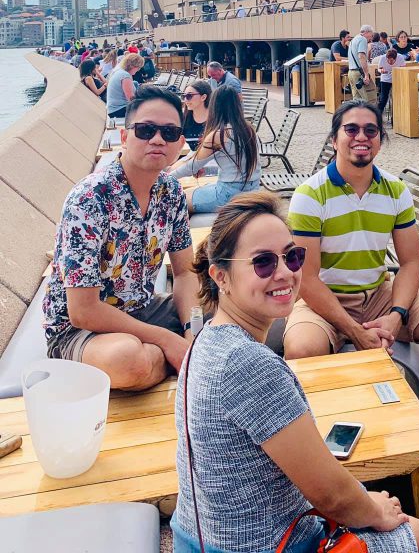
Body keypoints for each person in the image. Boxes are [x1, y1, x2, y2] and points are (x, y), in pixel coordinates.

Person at [172, 191, 419, 553]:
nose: (285, 273)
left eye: (292, 257)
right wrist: (377, 510)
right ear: (221, 277)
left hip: (199, 535)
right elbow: (331, 497)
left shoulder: (204, 341)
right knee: (414, 530)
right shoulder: (249, 364)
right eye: (262, 263)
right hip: (264, 546)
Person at [284, 100, 419, 453]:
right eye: (351, 129)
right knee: (300, 350)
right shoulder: (310, 195)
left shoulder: (394, 190)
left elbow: (409, 264)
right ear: (334, 139)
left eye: (370, 130)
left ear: (380, 140)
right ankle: (312, 449)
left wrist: (395, 315)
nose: (361, 137)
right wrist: (354, 330)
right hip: (325, 300)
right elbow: (307, 280)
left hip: (378, 294)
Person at [42, 86, 195, 389]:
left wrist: (191, 329)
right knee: (128, 361)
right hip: (79, 331)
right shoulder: (89, 199)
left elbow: (184, 272)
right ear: (125, 138)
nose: (157, 139)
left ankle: (178, 354)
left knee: (233, 303)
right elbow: (83, 311)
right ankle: (177, 357)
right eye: (145, 129)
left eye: (169, 132)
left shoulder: (172, 193)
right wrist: (167, 339)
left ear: (180, 143)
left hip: (143, 309)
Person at [170, 86, 261, 217]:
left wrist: (166, 178)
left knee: (179, 198)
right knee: (198, 189)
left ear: (214, 106)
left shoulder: (219, 134)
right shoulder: (249, 129)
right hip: (253, 190)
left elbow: (191, 167)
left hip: (228, 194)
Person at [106, 53, 144, 119]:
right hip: (119, 110)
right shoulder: (125, 76)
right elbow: (130, 98)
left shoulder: (119, 72)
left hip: (115, 109)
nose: (138, 70)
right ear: (133, 66)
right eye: (138, 67)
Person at [347, 25, 377, 104]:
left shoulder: (353, 40)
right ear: (367, 32)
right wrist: (366, 74)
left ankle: (355, 115)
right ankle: (370, 116)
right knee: (370, 98)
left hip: (351, 72)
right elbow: (361, 56)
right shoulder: (363, 39)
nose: (371, 38)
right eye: (371, 35)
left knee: (356, 100)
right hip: (359, 73)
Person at [180, 80, 212, 150]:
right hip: (189, 158)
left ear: (203, 97)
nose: (185, 100)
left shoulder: (217, 118)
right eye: (184, 96)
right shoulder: (183, 119)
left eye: (189, 96)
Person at [375, 47, 406, 112]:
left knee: (397, 99)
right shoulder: (383, 58)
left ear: (395, 58)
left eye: (391, 60)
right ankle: (378, 116)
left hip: (397, 79)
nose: (389, 62)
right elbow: (379, 69)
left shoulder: (400, 57)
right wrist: (381, 71)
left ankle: (395, 118)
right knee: (383, 99)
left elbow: (404, 69)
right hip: (385, 79)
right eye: (388, 60)